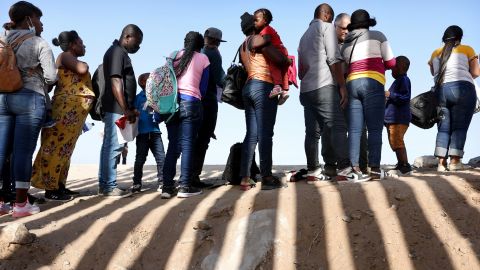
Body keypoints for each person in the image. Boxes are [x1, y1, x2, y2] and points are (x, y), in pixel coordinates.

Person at [298, 4, 368, 182]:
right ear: (327, 15)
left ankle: (313, 170)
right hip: (324, 87)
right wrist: (342, 86)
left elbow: (301, 71)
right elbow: (333, 59)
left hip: (306, 89)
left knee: (312, 133)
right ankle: (345, 168)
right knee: (337, 126)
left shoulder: (303, 36)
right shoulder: (326, 27)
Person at [0, 1, 57, 217]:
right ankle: (21, 204)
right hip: (29, 98)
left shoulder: (2, 40)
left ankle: (1, 202)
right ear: (29, 19)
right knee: (22, 152)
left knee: (2, 151)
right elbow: (51, 77)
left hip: (2, 98)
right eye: (39, 19)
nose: (41, 24)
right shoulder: (38, 43)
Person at [31, 30, 95, 201]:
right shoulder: (65, 56)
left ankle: (59, 185)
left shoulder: (67, 57)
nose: (84, 46)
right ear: (73, 44)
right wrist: (84, 63)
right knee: (56, 147)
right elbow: (82, 69)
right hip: (66, 110)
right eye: (81, 43)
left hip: (73, 112)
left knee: (65, 148)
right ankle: (50, 188)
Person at [341, 9, 396, 179]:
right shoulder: (378, 35)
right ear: (368, 23)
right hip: (372, 82)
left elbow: (343, 69)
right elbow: (391, 62)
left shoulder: (346, 43)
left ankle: (354, 169)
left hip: (352, 84)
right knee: (374, 129)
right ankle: (374, 169)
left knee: (355, 130)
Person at [237, 12, 286, 190]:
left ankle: (245, 177)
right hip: (263, 85)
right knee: (266, 133)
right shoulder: (258, 40)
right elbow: (280, 59)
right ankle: (266, 177)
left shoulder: (242, 46)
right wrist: (286, 59)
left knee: (252, 134)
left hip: (248, 88)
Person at [160, 31, 210, 199]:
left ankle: (167, 187)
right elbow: (203, 89)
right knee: (188, 145)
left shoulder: (173, 56)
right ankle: (184, 186)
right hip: (191, 103)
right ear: (200, 45)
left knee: (173, 145)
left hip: (171, 104)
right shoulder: (203, 59)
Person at [98, 24, 142, 196]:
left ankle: (106, 184)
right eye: (137, 43)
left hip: (118, 107)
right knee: (114, 147)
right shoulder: (117, 52)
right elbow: (116, 81)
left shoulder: (118, 52)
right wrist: (126, 109)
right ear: (127, 37)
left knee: (110, 146)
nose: (138, 47)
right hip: (117, 108)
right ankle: (108, 186)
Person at [429, 25, 480, 171]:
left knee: (443, 128)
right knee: (459, 126)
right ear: (460, 38)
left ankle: (441, 163)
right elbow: (475, 72)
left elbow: (434, 73)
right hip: (462, 89)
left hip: (441, 91)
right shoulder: (467, 49)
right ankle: (455, 162)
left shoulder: (435, 53)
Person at [190, 27, 226, 188]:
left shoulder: (196, 53)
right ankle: (193, 177)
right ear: (216, 41)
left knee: (192, 139)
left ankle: (188, 175)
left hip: (194, 101)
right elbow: (220, 79)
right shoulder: (212, 54)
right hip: (208, 100)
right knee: (203, 140)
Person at [131, 73, 165, 193]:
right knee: (140, 159)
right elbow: (132, 111)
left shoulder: (157, 96)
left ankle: (162, 182)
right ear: (143, 83)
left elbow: (162, 112)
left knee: (161, 158)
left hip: (155, 132)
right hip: (142, 133)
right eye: (150, 79)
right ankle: (136, 183)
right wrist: (135, 111)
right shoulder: (138, 98)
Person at [252, 8, 290, 105]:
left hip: (277, 50)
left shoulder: (266, 29)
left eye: (256, 20)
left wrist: (255, 46)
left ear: (265, 21)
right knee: (282, 71)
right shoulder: (266, 29)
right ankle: (284, 92)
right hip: (281, 50)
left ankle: (277, 87)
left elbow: (266, 40)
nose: (254, 22)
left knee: (274, 67)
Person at [385, 56, 413, 176]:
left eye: (392, 69)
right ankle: (401, 163)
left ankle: (405, 166)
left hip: (398, 118)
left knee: (397, 141)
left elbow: (405, 97)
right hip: (392, 119)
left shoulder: (404, 80)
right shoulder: (398, 81)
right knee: (394, 142)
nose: (391, 71)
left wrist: (390, 94)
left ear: (399, 67)